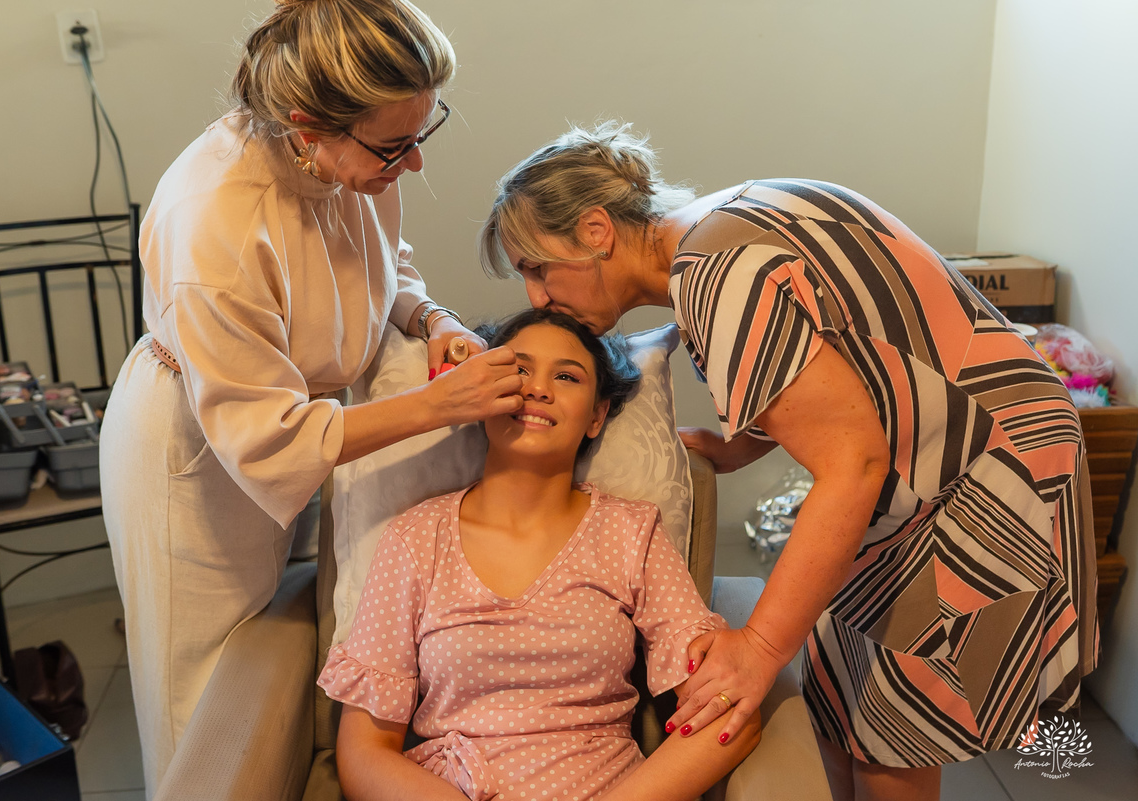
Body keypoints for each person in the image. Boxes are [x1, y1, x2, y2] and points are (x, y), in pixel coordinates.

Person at [477, 123, 1097, 801]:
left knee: (896, 734)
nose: (536, 295)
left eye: (536, 266)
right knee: (841, 700)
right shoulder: (720, 223)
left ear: (597, 230)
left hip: (983, 466)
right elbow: (843, 364)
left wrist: (759, 648)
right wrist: (738, 446)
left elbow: (855, 461)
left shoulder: (713, 276)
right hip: (951, 455)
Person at [99, 1, 524, 792]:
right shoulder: (215, 223)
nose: (414, 165)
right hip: (194, 451)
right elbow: (274, 440)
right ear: (307, 125)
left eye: (423, 134)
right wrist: (445, 403)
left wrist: (431, 319)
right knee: (205, 703)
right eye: (396, 146)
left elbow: (381, 258)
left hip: (299, 412)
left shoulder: (348, 158)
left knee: (289, 646)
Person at [319, 309, 762, 801]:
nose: (538, 389)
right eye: (519, 370)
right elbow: (364, 753)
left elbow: (726, 710)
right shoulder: (415, 539)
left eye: (567, 376)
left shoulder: (630, 532)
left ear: (596, 415)